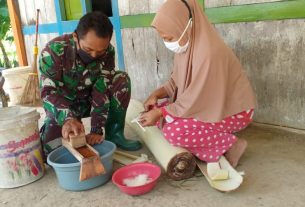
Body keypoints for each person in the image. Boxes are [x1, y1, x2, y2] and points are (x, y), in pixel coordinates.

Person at [139, 0, 256, 173]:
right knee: (160, 114)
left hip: (234, 112)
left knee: (174, 132)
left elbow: (195, 98)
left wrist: (159, 113)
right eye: (163, 38)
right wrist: (157, 94)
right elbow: (175, 82)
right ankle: (208, 143)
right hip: (204, 105)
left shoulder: (209, 53)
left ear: (186, 26)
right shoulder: (186, 47)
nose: (167, 43)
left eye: (169, 38)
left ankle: (232, 144)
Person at [39, 12, 142, 156]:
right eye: (88, 49)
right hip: (64, 107)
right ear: (76, 37)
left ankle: (114, 135)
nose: (94, 55)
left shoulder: (108, 52)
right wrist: (68, 118)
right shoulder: (54, 51)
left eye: (100, 51)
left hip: (90, 103)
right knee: (50, 150)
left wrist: (96, 129)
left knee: (121, 79)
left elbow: (102, 88)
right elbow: (48, 92)